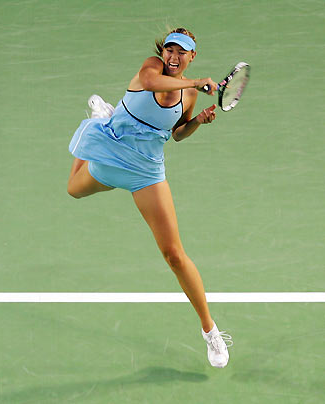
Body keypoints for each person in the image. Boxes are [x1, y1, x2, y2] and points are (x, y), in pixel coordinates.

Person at [67, 27, 233, 368]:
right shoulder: (151, 69)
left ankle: (210, 331)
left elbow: (177, 134)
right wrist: (193, 81)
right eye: (169, 50)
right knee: (73, 189)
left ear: (191, 56)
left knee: (174, 255)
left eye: (180, 52)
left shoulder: (190, 94)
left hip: (146, 171)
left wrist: (198, 119)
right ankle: (100, 123)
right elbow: (154, 84)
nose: (173, 57)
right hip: (112, 153)